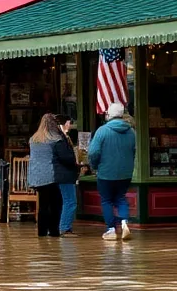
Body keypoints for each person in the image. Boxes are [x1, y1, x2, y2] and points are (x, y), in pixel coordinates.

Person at [88, 102, 137, 241]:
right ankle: (124, 222)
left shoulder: (102, 131)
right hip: (125, 173)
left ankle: (111, 229)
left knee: (107, 200)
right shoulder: (132, 132)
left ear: (109, 115)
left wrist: (94, 165)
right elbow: (133, 152)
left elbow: (93, 152)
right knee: (121, 198)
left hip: (106, 172)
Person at [27, 113, 75, 238]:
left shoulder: (33, 139)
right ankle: (54, 232)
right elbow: (65, 157)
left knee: (43, 204)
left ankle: (41, 233)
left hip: (37, 176)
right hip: (51, 175)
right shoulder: (55, 138)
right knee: (56, 203)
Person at [55, 114, 80, 235]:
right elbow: (65, 157)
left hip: (64, 174)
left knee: (67, 201)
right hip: (65, 174)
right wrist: (75, 161)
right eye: (68, 123)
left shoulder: (61, 137)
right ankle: (64, 227)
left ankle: (65, 226)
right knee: (70, 201)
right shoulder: (60, 139)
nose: (69, 126)